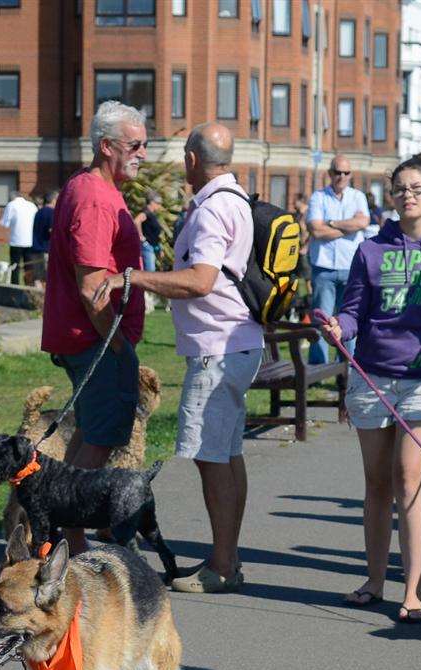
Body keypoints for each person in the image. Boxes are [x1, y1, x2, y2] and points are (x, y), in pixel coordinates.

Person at [316, 152, 421, 623]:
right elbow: (354, 311)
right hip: (371, 377)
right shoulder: (370, 250)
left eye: (416, 189)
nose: (407, 196)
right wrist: (339, 329)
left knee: (409, 479)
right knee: (375, 484)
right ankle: (374, 580)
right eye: (399, 189)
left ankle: (413, 590)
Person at [114, 123, 260, 594]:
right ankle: (227, 557)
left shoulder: (213, 209)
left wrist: (135, 278)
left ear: (193, 159)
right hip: (235, 341)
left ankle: (222, 566)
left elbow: (200, 280)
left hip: (217, 348)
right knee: (227, 455)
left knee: (211, 458)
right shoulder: (234, 199)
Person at [42, 100, 148, 548]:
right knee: (100, 439)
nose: (144, 152)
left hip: (89, 338)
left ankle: (66, 524)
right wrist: (118, 344)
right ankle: (72, 538)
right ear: (107, 147)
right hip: (95, 340)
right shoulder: (94, 196)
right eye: (135, 144)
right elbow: (91, 287)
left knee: (90, 432)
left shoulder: (90, 189)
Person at [305, 154, 370, 363]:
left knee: (348, 320)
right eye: (337, 172)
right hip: (323, 267)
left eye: (346, 172)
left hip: (351, 267)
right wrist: (347, 227)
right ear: (330, 173)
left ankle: (347, 366)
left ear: (350, 175)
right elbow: (315, 230)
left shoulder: (358, 196)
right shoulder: (318, 196)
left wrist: (330, 223)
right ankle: (318, 365)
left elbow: (363, 222)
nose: (341, 176)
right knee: (322, 319)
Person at [1, 188, 37, 284]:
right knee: (29, 266)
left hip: (16, 241)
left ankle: (15, 285)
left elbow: (5, 223)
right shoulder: (32, 205)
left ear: (11, 198)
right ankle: (29, 285)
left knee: (15, 266)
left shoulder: (11, 205)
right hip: (30, 241)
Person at [29, 190, 56, 285]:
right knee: (48, 278)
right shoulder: (52, 212)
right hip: (46, 250)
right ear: (53, 200)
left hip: (35, 249)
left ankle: (37, 297)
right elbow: (52, 231)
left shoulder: (38, 212)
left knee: (37, 278)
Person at [140, 195, 164, 272]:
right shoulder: (146, 212)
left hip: (153, 245)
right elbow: (137, 221)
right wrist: (141, 236)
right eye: (158, 203)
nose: (159, 206)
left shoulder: (151, 214)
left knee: (152, 270)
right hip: (147, 245)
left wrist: (159, 248)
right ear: (152, 202)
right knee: (150, 271)